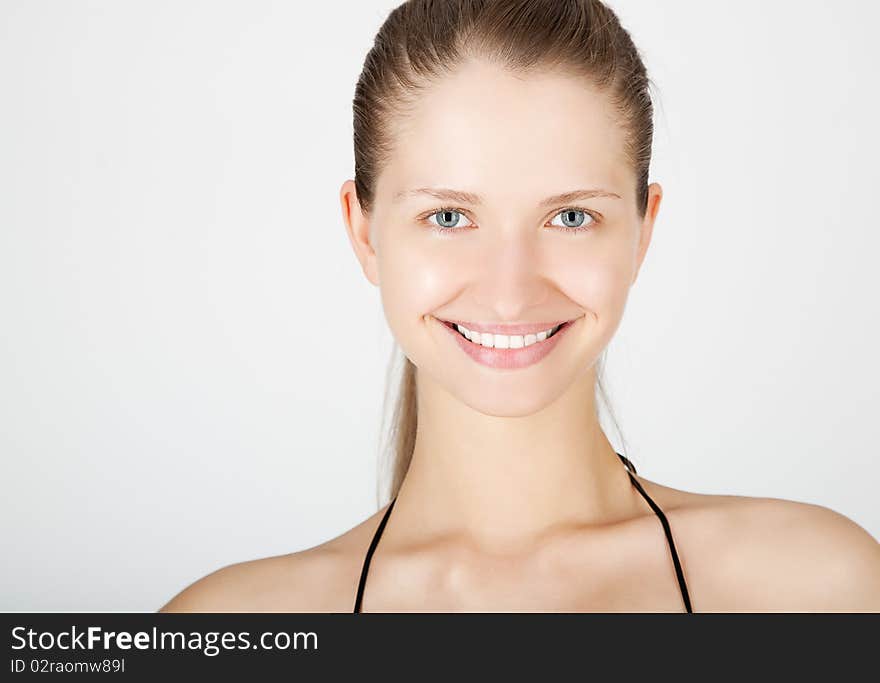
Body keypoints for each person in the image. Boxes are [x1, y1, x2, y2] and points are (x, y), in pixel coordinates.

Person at [159, 0, 880, 613]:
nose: (509, 291)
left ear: (643, 232)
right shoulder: (224, 624)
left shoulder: (819, 586)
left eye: (569, 217)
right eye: (449, 217)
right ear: (363, 232)